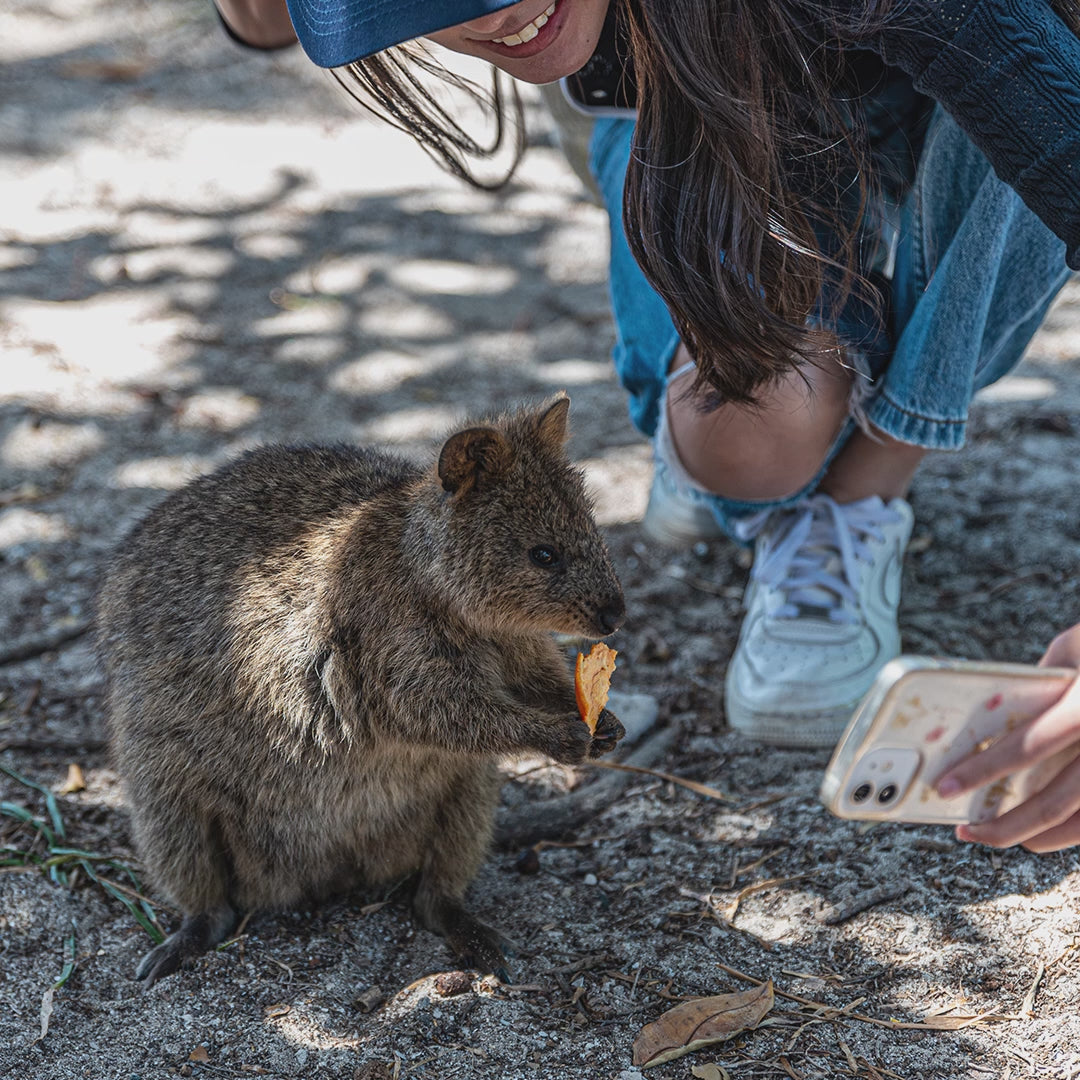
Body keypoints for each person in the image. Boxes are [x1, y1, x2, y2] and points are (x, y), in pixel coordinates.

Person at [209, 0, 1080, 850]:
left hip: (942, 86)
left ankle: (860, 493)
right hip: (703, 92)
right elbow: (259, 22)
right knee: (750, 434)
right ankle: (720, 412)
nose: (494, 17)